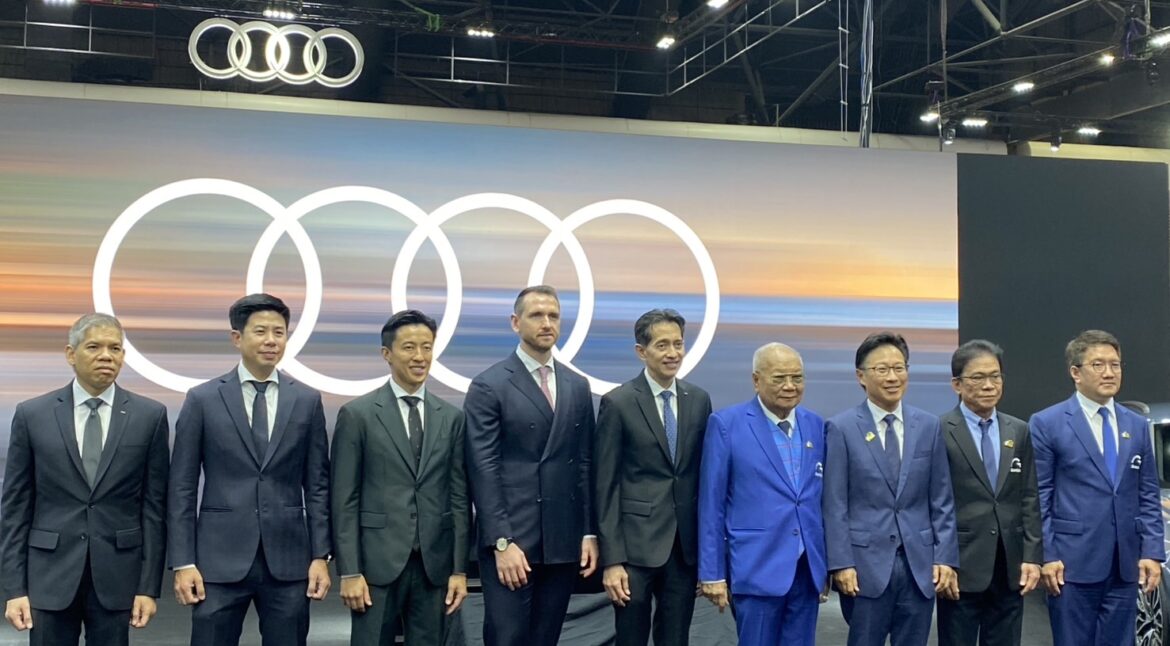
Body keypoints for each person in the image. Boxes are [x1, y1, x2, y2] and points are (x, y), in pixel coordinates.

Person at [167, 293, 331, 646]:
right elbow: (181, 487)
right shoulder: (202, 399)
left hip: (289, 560)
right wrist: (183, 561)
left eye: (279, 332)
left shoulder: (306, 400)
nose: (271, 340)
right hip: (217, 561)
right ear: (237, 337)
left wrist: (321, 555)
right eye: (261, 331)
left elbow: (317, 485)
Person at [0, 313, 169, 646]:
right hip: (48, 575)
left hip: (118, 575)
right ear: (70, 354)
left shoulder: (149, 416)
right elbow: (15, 509)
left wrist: (148, 587)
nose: (106, 356)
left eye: (115, 348)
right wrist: (14, 588)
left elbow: (154, 508)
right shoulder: (32, 414)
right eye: (94, 347)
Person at [463, 285, 598, 646]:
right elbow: (483, 469)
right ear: (515, 322)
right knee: (507, 638)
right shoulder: (489, 385)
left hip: (562, 539)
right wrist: (501, 541)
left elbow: (584, 464)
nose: (547, 323)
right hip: (513, 542)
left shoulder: (577, 385)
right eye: (537, 315)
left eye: (553, 315)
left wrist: (588, 532)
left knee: (546, 639)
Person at [330, 309, 469, 645]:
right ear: (387, 354)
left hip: (434, 566)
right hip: (375, 566)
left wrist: (459, 569)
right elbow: (344, 500)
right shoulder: (358, 415)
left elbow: (459, 497)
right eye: (409, 347)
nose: (419, 356)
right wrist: (349, 570)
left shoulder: (451, 417)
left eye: (427, 347)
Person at [823, 331, 959, 646]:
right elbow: (834, 504)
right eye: (881, 369)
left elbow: (942, 499)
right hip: (865, 566)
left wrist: (945, 557)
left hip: (919, 565)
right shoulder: (841, 427)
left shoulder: (928, 426)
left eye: (899, 368)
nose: (892, 377)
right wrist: (841, 563)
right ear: (861, 376)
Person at [1030, 329, 1164, 646]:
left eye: (1115, 365)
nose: (1109, 372)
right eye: (1098, 364)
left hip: (1125, 563)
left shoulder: (1136, 425)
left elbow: (1147, 493)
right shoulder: (1048, 423)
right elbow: (1040, 497)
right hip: (1071, 564)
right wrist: (1047, 555)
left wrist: (1152, 551)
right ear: (1075, 372)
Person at [594, 308, 712, 646]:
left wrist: (707, 556)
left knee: (675, 638)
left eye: (678, 344)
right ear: (641, 351)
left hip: (683, 550)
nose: (673, 353)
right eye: (662, 345)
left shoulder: (698, 400)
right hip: (634, 550)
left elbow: (704, 478)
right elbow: (605, 487)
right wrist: (612, 560)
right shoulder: (618, 402)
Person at [698, 342, 827, 646]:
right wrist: (712, 573)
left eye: (797, 378)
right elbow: (711, 504)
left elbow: (820, 500)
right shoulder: (727, 424)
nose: (790, 386)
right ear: (756, 380)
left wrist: (826, 565)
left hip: (806, 570)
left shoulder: (816, 425)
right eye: (779, 378)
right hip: (756, 567)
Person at [937, 339, 1041, 646]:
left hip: (1009, 565)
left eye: (995, 376)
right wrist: (942, 559)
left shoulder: (1019, 430)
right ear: (957, 384)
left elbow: (1029, 496)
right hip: (961, 565)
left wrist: (1032, 556)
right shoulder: (939, 430)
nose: (988, 385)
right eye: (978, 377)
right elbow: (935, 501)